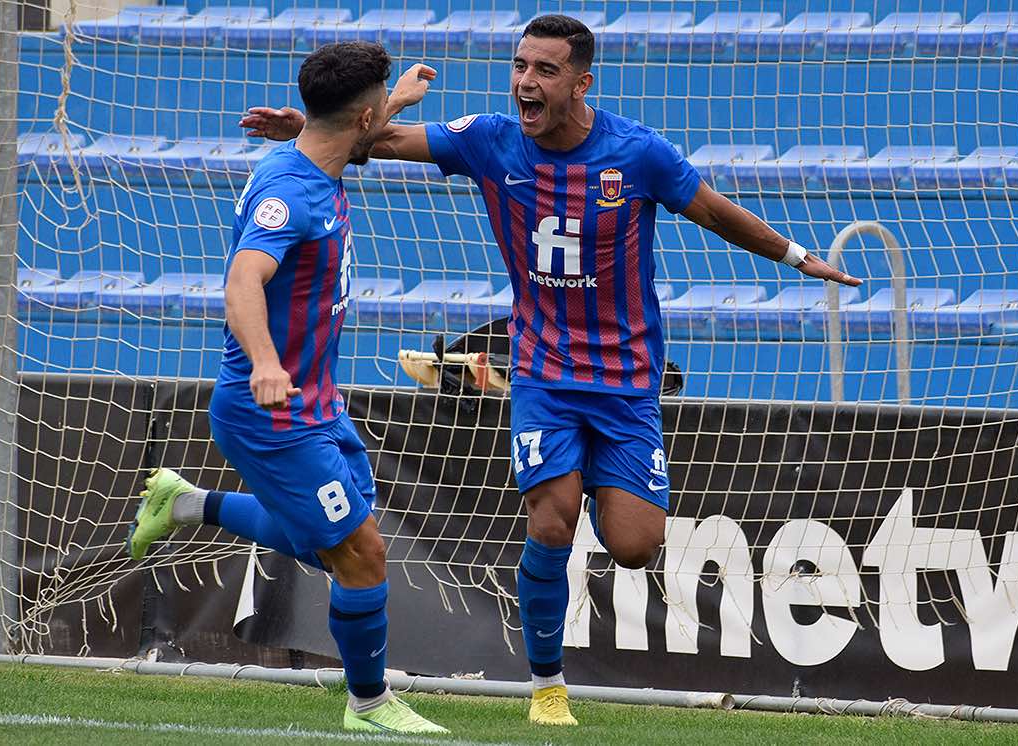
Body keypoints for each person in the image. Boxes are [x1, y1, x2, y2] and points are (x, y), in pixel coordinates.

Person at [241, 15, 862, 726]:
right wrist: (311, 129)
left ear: (580, 82)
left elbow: (713, 212)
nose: (524, 83)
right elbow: (376, 140)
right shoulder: (489, 141)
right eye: (519, 66)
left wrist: (796, 257)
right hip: (540, 373)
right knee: (553, 523)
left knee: (635, 546)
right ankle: (547, 687)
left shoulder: (636, 153)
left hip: (627, 381)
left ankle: (602, 481)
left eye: (544, 71)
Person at [126, 41, 447, 735]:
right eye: (382, 105)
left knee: (321, 542)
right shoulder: (288, 195)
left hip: (314, 400)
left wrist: (396, 103)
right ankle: (368, 703)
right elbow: (244, 280)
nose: (383, 115)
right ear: (364, 117)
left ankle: (186, 502)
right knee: (360, 552)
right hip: (268, 407)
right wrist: (266, 361)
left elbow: (346, 134)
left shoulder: (307, 153)